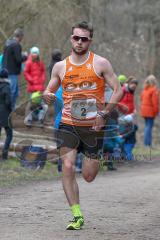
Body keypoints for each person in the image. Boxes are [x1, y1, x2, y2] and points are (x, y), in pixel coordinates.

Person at [43, 21, 122, 230]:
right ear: (71, 39)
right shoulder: (60, 66)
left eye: (83, 39)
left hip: (93, 127)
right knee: (67, 166)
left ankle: (95, 157)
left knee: (88, 176)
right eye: (76, 38)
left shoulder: (101, 63)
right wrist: (47, 96)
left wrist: (104, 113)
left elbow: (118, 89)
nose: (79, 42)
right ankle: (76, 215)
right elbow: (48, 90)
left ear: (90, 41)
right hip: (68, 123)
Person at [2, 28, 27, 109]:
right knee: (12, 92)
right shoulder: (16, 45)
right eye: (22, 37)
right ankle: (10, 109)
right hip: (12, 72)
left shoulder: (7, 43)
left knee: (15, 92)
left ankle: (11, 108)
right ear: (20, 37)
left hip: (5, 71)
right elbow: (18, 59)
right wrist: (25, 56)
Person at [140, 75, 159, 147]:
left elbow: (141, 99)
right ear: (154, 81)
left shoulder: (145, 89)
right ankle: (147, 144)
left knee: (147, 126)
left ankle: (148, 143)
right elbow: (155, 103)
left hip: (144, 110)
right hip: (150, 111)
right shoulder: (154, 90)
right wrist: (156, 112)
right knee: (149, 127)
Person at [0, 68, 13, 160]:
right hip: (5, 114)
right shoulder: (7, 87)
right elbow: (8, 102)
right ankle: (4, 154)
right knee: (9, 134)